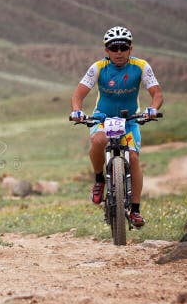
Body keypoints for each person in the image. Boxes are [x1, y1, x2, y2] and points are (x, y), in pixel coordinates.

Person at [69, 26, 163, 227]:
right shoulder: (98, 68)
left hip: (129, 121)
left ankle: (136, 210)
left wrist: (152, 109)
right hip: (102, 118)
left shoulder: (141, 66)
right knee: (98, 140)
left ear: (130, 48)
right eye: (114, 47)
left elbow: (157, 94)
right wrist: (77, 111)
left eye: (123, 47)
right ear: (106, 50)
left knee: (134, 158)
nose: (118, 52)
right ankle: (99, 179)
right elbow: (78, 95)